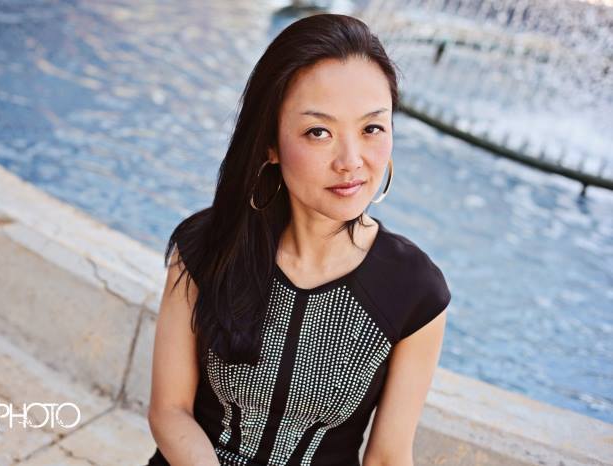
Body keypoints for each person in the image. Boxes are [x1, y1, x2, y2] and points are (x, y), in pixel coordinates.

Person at [146, 13, 451, 466]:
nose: (351, 161)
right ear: (270, 143)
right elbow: (170, 412)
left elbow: (388, 456)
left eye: (371, 128)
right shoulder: (206, 246)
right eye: (318, 132)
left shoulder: (415, 290)